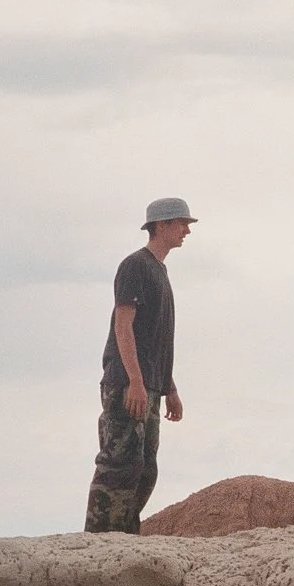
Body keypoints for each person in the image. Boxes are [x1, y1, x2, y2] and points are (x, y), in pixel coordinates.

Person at [84, 197, 195, 533]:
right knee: (119, 462)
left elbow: (154, 340)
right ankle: (100, 537)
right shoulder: (135, 266)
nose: (187, 230)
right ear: (160, 226)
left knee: (144, 467)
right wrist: (133, 381)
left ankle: (125, 533)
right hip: (127, 383)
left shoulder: (158, 270)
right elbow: (123, 325)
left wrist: (169, 388)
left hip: (149, 386)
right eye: (180, 223)